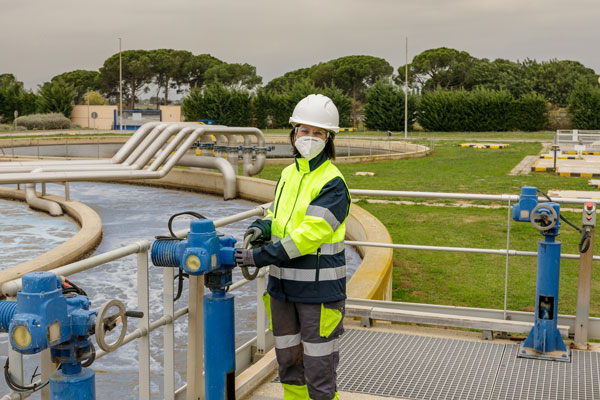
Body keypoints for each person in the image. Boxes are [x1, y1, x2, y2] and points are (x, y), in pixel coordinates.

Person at [235, 94, 351, 400]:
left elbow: (307, 236)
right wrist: (262, 226)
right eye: (304, 130)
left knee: (319, 372)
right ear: (293, 133)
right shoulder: (288, 175)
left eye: (318, 133)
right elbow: (280, 217)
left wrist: (258, 256)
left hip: (319, 295)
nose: (309, 137)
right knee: (288, 364)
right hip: (283, 291)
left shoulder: (333, 183)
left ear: (328, 139)